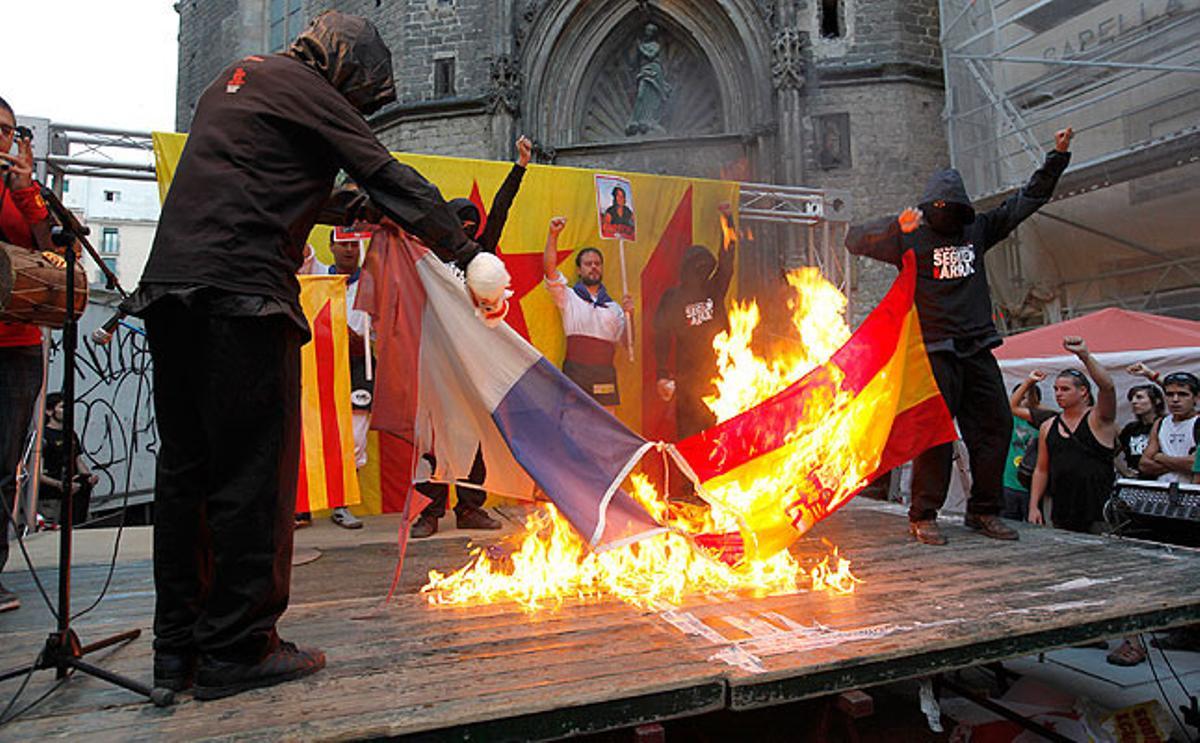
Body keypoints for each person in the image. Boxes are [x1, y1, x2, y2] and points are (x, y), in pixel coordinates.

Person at [119, 12, 478, 700]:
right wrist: (466, 253)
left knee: (186, 477)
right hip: (241, 303)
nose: (357, 107)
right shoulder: (309, 90)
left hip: (171, 294)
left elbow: (270, 183)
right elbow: (387, 173)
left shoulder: (235, 80)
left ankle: (178, 653)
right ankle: (239, 650)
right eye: (361, 92)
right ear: (345, 67)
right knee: (252, 483)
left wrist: (352, 210)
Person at [846, 126, 1074, 546]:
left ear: (963, 207)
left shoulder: (978, 229)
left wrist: (1057, 156)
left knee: (996, 425)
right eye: (937, 207)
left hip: (976, 347)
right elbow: (853, 239)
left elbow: (1027, 200)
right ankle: (924, 514)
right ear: (927, 207)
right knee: (935, 433)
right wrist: (895, 223)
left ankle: (983, 511)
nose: (945, 212)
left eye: (951, 206)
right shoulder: (908, 233)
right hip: (932, 351)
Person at [410, 141, 534, 539]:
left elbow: (500, 210)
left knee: (476, 433)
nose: (465, 227)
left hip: (475, 358)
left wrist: (519, 168)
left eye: (471, 222)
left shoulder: (480, 256)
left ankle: (469, 507)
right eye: (458, 220)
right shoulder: (430, 256)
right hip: (438, 356)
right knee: (435, 436)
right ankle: (429, 511)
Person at [0, 95, 57, 614]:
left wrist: (28, 197)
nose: (3, 140)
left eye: (10, 132)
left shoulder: (24, 194)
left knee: (3, 463)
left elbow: (53, 254)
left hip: (17, 347)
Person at [297, 233, 373, 530]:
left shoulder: (371, 283)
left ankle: (341, 506)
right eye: (344, 243)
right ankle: (303, 507)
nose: (349, 249)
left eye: (355, 244)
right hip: (318, 367)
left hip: (356, 366)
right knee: (311, 435)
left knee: (353, 440)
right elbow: (301, 253)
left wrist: (359, 340)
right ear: (332, 246)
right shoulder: (318, 274)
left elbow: (379, 332)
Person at [654, 206, 735, 441]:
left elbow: (727, 259)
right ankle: (687, 479)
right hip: (687, 376)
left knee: (718, 432)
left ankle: (717, 478)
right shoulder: (673, 298)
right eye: (697, 267)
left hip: (719, 373)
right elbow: (660, 335)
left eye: (705, 267)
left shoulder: (715, 287)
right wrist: (661, 373)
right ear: (686, 269)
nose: (702, 272)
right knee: (688, 437)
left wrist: (727, 220)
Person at [542, 217, 634, 410]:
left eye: (597, 263)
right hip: (576, 374)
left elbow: (628, 344)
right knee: (574, 429)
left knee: (605, 431)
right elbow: (550, 270)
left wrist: (629, 316)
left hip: (604, 376)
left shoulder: (614, 308)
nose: (593, 267)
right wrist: (553, 235)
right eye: (588, 263)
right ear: (579, 269)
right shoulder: (568, 297)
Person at [1028, 337, 1118, 533]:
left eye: (1065, 389)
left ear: (1083, 391)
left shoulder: (1098, 419)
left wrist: (1084, 356)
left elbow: (1108, 388)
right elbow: (1041, 469)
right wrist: (1034, 505)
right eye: (1056, 389)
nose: (1058, 394)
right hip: (1062, 512)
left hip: (1098, 512)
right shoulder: (1048, 425)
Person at [38, 392, 99, 528]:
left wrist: (88, 477)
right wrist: (60, 484)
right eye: (62, 407)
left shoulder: (70, 434)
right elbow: (37, 473)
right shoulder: (43, 436)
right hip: (51, 498)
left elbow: (77, 459)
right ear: (49, 411)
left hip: (74, 495)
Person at [1002, 371, 1055, 521]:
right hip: (1008, 485)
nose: (1023, 401)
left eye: (1027, 397)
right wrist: (1028, 383)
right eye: (1021, 397)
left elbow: (1034, 404)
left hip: (1032, 487)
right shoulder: (1011, 419)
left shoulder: (1043, 421)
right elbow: (1010, 405)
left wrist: (1031, 387)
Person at [1138, 370, 1199, 485]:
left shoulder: (1197, 423)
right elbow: (1144, 465)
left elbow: (1195, 464)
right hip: (1164, 492)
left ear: (1196, 398)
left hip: (1191, 494)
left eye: (1183, 394)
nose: (1175, 400)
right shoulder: (1161, 423)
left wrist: (1161, 457)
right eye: (1170, 394)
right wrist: (1182, 464)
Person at [1116, 382, 1164, 479]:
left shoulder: (1166, 425)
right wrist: (1125, 471)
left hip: (1162, 480)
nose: (1134, 402)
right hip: (1137, 482)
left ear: (1157, 400)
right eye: (1131, 399)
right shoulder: (1131, 428)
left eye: (1139, 397)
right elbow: (1111, 452)